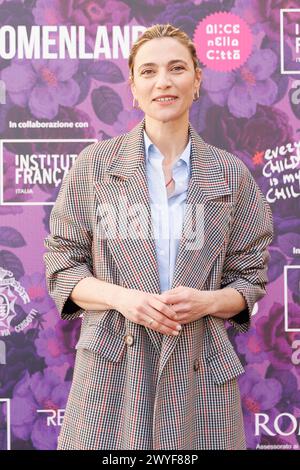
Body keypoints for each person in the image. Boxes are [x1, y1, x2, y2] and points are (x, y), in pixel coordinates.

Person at [44, 23, 273, 450]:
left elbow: (250, 280)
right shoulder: (94, 166)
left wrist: (207, 301)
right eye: (148, 71)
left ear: (197, 80)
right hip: (113, 368)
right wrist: (125, 299)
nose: (163, 81)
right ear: (132, 87)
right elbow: (62, 267)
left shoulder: (230, 175)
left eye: (176, 68)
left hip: (200, 369)